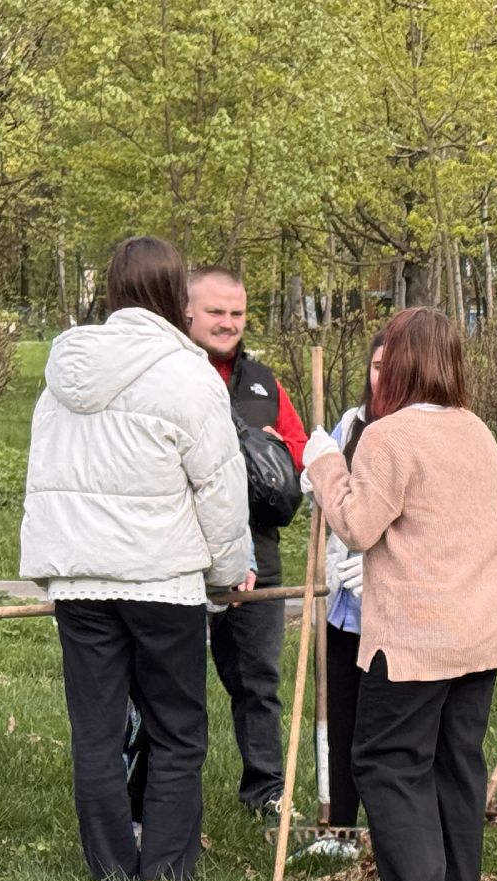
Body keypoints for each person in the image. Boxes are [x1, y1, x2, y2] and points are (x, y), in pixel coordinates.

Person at [19, 236, 251, 881]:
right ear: (177, 297)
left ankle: (112, 873)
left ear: (114, 291)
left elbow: (43, 475)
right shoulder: (190, 376)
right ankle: (166, 876)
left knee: (96, 734)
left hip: (82, 582)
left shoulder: (63, 376)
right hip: (161, 582)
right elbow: (221, 489)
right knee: (177, 730)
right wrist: (228, 574)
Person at [303, 307, 497, 881]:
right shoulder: (478, 432)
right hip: (479, 630)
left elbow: (357, 524)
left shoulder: (389, 436)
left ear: (396, 364)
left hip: (418, 635)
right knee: (455, 761)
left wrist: (325, 465)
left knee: (388, 760)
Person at [186, 267, 309, 819]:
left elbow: (302, 452)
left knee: (259, 680)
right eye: (215, 312)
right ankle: (170, 790)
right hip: (186, 554)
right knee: (176, 681)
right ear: (187, 311)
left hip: (261, 552)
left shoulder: (262, 381)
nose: (227, 323)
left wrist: (283, 455)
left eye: (236, 313)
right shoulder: (173, 374)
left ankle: (266, 791)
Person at [314, 331, 384, 851]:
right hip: (344, 604)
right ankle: (340, 826)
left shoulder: (413, 433)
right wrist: (315, 469)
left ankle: (386, 831)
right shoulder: (352, 423)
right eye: (376, 364)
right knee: (341, 715)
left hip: (390, 608)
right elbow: (331, 492)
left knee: (378, 727)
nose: (382, 375)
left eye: (394, 365)